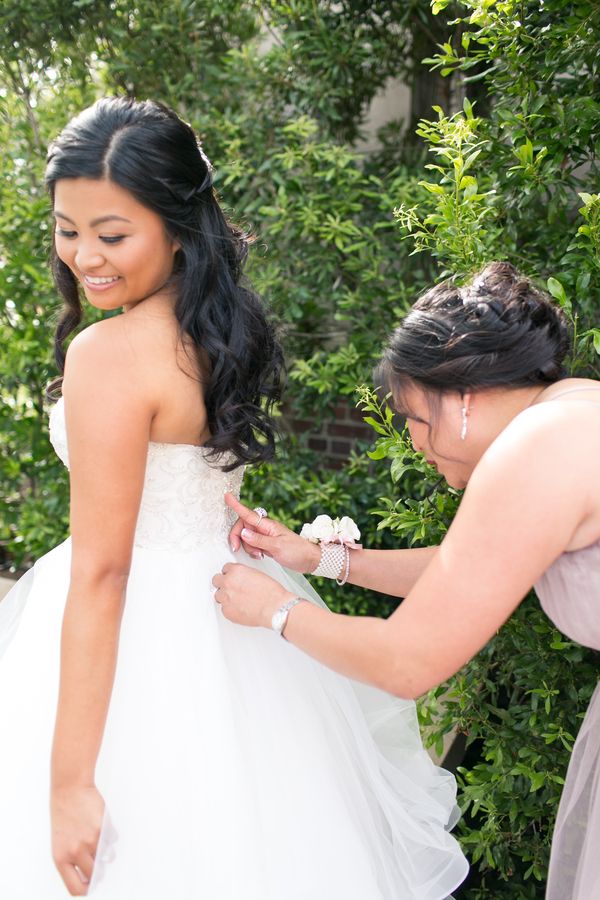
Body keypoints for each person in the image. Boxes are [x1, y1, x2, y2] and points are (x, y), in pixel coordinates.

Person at [0, 96, 468, 899]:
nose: (84, 256)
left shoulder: (108, 355)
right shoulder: (220, 328)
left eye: (112, 235)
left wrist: (72, 779)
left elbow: (104, 572)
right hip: (232, 617)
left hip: (133, 631)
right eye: (67, 229)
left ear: (179, 225)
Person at [214, 261, 600, 899]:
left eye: (414, 418)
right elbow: (468, 568)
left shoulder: (537, 450)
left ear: (462, 396)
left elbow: (408, 661)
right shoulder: (569, 407)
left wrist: (277, 611)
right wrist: (320, 559)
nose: (417, 444)